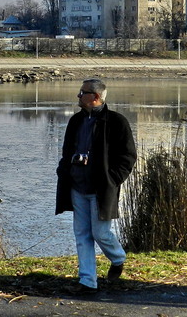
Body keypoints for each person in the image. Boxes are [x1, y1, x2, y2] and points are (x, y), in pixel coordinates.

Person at [55, 78, 137, 293]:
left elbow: (128, 157)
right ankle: (87, 282)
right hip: (77, 186)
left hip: (102, 188)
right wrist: (64, 170)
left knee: (101, 233)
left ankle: (118, 258)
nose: (79, 96)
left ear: (96, 96)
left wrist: (113, 179)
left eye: (83, 93)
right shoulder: (76, 121)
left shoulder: (117, 122)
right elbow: (66, 152)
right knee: (82, 235)